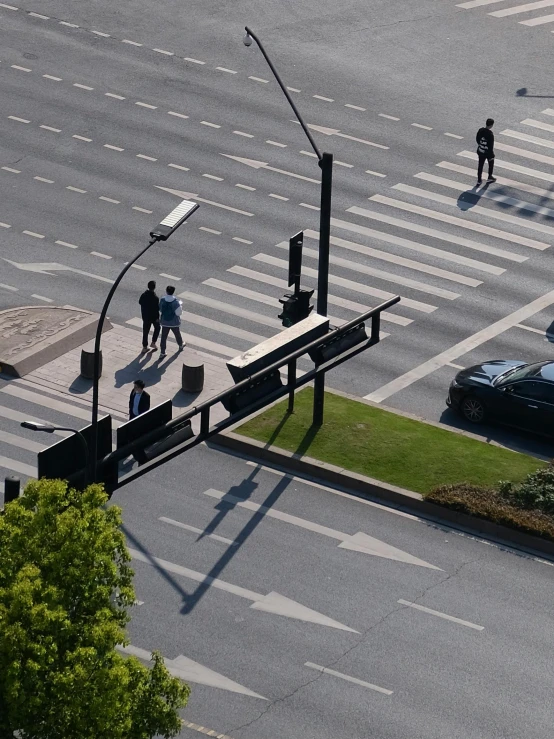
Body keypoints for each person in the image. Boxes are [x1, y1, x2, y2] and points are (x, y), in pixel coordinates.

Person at [159, 285, 184, 358]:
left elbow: (160, 309)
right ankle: (180, 345)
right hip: (174, 322)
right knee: (177, 334)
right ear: (173, 292)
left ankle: (162, 352)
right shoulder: (176, 302)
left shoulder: (163, 300)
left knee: (163, 337)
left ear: (166, 291)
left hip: (164, 322)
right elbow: (178, 313)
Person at [139, 280, 160, 353]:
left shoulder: (143, 295)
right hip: (153, 317)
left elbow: (140, 302)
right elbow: (157, 309)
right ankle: (153, 342)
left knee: (145, 332)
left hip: (145, 317)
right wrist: (157, 318)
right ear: (154, 288)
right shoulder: (155, 298)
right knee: (157, 328)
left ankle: (145, 347)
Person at [476, 118, 496, 186]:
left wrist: (481, 145)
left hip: (481, 150)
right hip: (487, 153)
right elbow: (491, 146)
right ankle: (489, 176)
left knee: (480, 165)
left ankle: (479, 179)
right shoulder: (490, 134)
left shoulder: (480, 130)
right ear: (491, 125)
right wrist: (491, 155)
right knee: (491, 163)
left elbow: (477, 140)